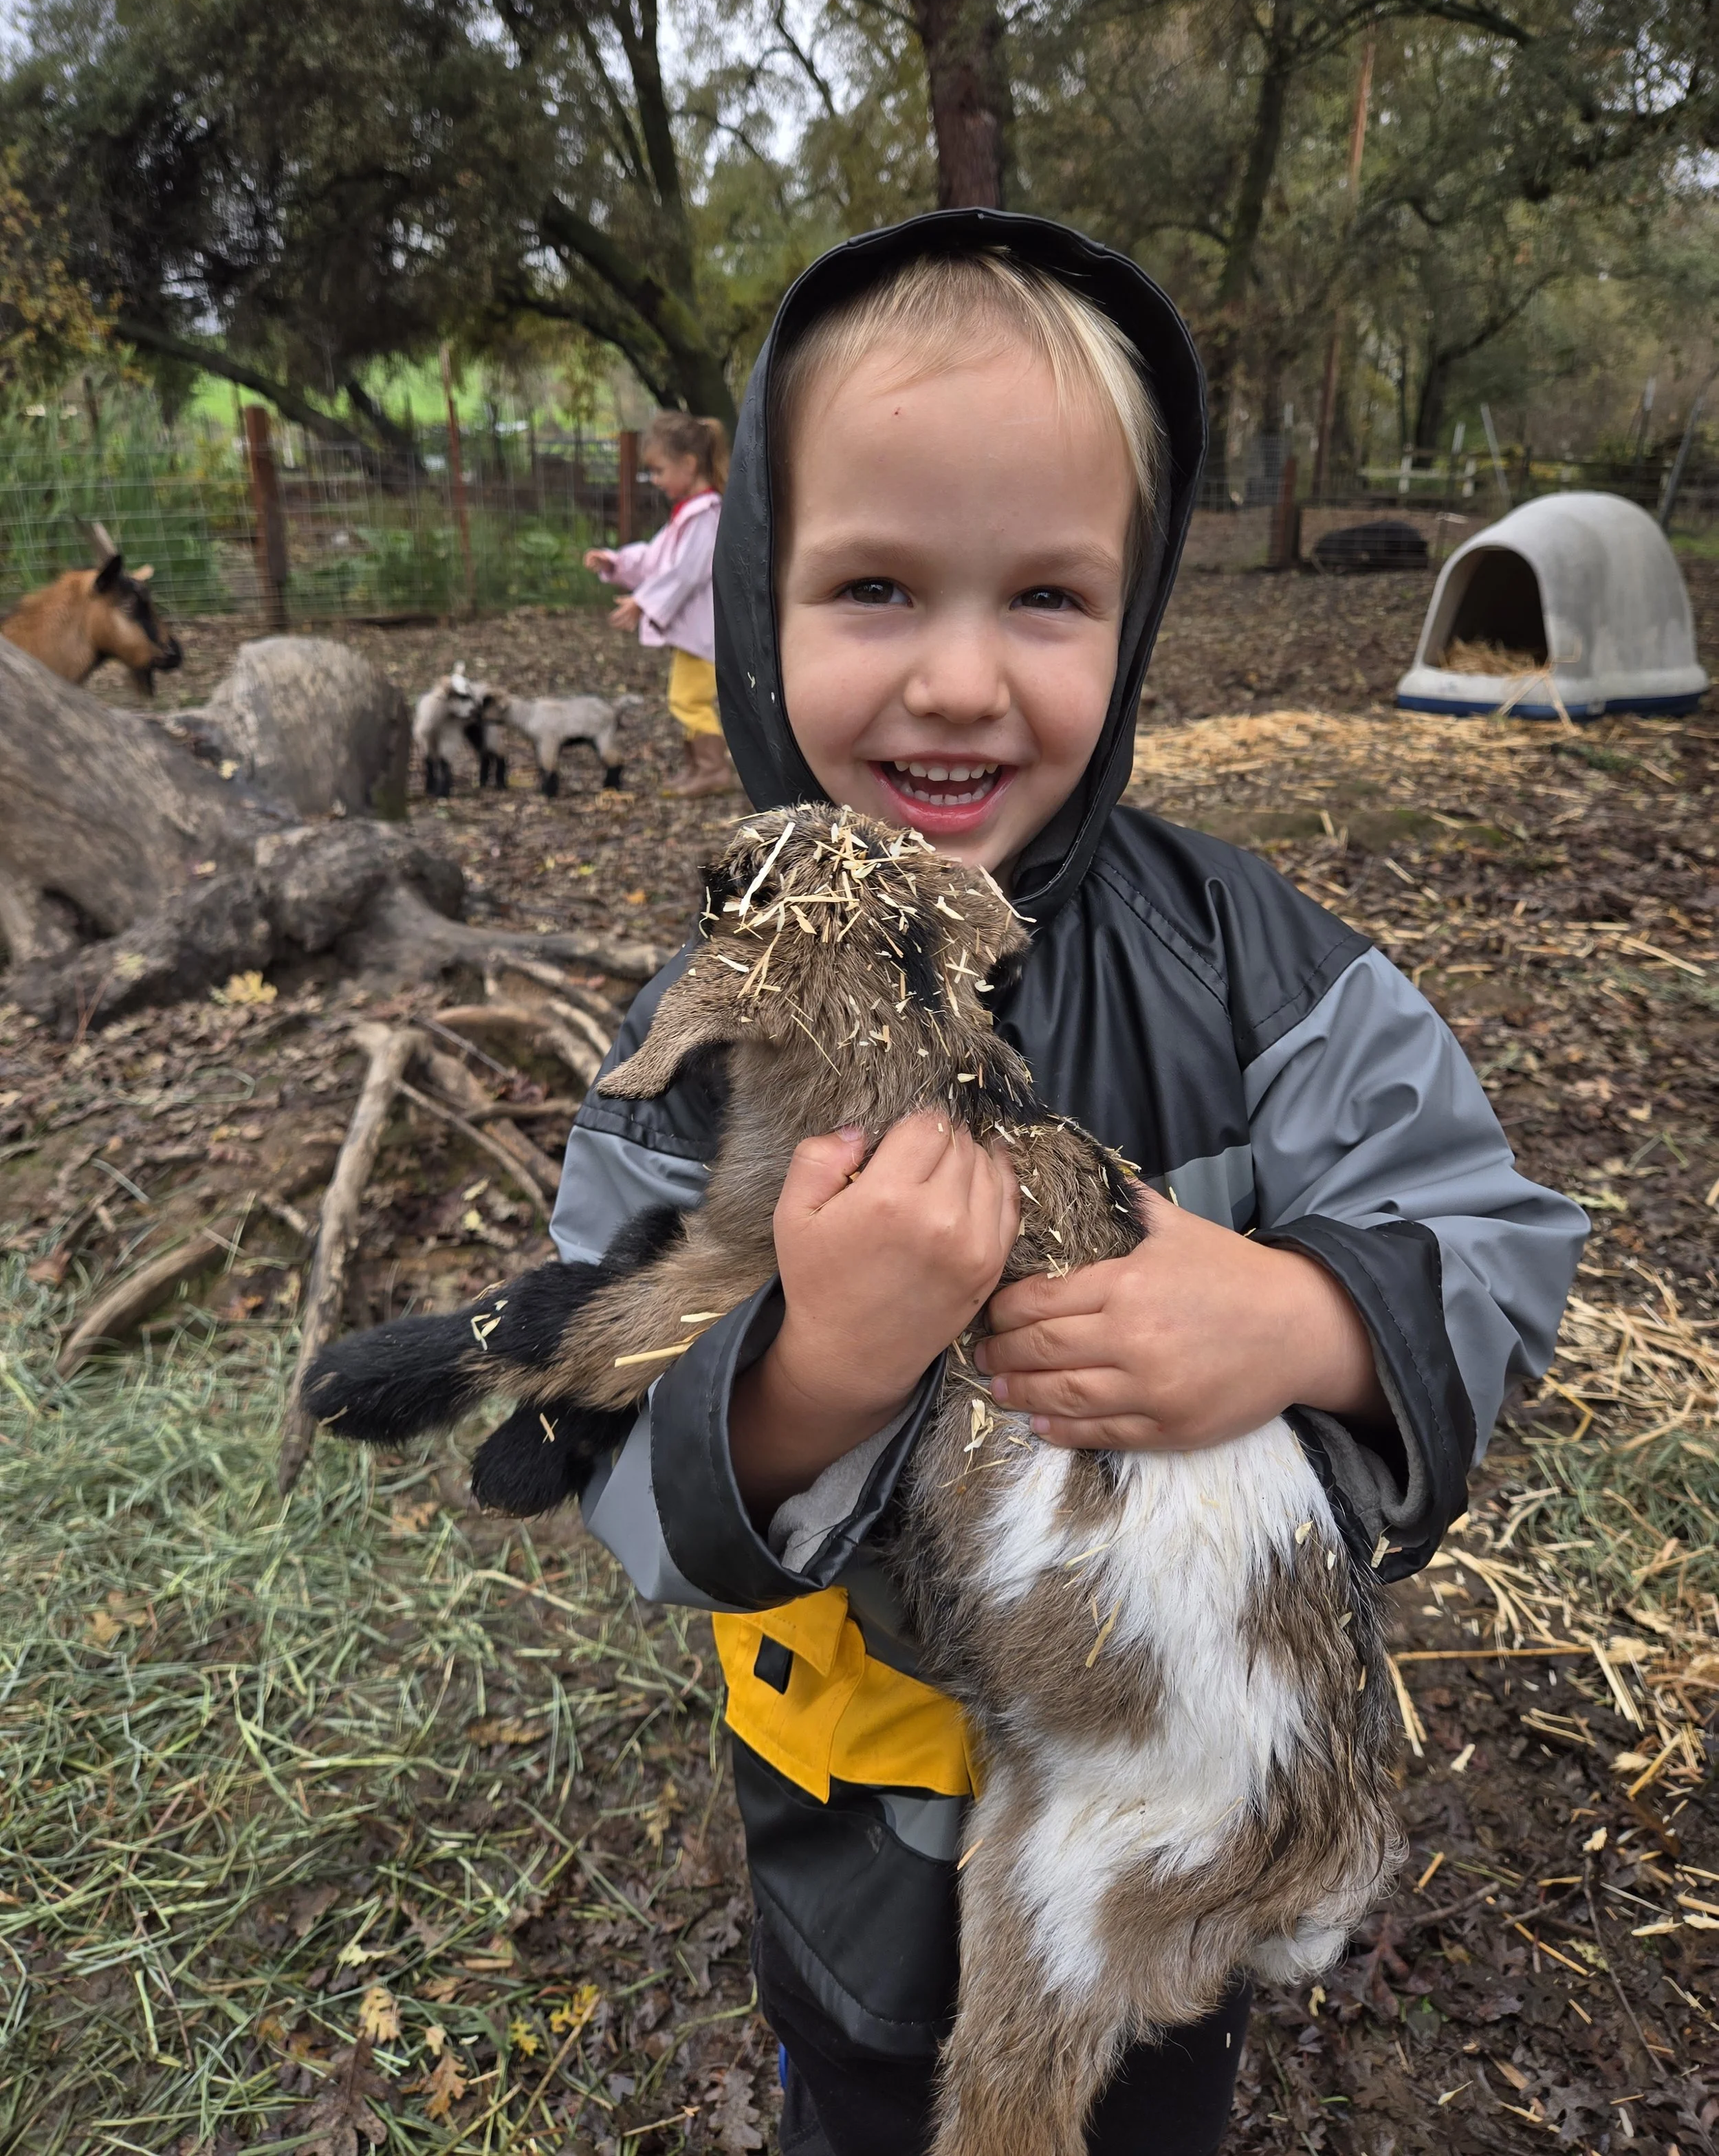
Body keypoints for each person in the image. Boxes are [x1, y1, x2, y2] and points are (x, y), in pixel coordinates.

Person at [550, 213, 1588, 2155]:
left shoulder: (1251, 961)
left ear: (1134, 614)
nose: (958, 678)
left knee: (1137, 2095)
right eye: (871, 585)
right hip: (853, 1838)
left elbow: (1493, 1239)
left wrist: (1302, 1315)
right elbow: (611, 1429)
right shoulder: (713, 1024)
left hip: (1178, 1817)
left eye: (1043, 594)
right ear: (756, 604)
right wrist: (812, 1376)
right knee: (863, 2095)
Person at [584, 410, 734, 796]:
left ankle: (714, 769)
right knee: (686, 699)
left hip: (705, 631)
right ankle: (698, 769)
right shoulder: (687, 513)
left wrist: (644, 603)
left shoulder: (707, 515)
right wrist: (615, 562)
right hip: (692, 632)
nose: (655, 481)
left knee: (688, 699)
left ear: (688, 463)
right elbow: (655, 558)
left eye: (659, 470)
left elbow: (686, 573)